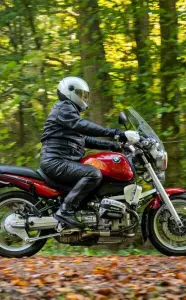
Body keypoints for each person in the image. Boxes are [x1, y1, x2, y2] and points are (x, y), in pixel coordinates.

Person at [40, 76, 127, 228]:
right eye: (81, 94)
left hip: (62, 161)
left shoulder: (69, 112)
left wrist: (114, 146)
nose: (83, 98)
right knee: (93, 174)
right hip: (56, 162)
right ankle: (65, 211)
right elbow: (82, 126)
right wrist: (115, 132)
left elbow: (85, 139)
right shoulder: (64, 108)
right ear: (70, 92)